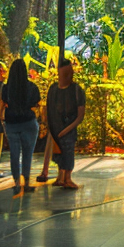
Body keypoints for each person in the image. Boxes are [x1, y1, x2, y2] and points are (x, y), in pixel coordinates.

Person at [0, 59, 41, 195]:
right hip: (28, 122)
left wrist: (1, 118)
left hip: (11, 122)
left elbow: (2, 105)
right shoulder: (32, 87)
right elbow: (36, 105)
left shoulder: (6, 88)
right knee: (27, 154)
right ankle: (27, 183)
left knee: (14, 154)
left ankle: (16, 183)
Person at [45, 57, 86, 190]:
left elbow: (80, 115)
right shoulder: (53, 90)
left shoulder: (76, 90)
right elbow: (48, 109)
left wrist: (67, 129)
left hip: (68, 128)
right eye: (64, 73)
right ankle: (61, 177)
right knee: (58, 154)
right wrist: (49, 126)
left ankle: (67, 178)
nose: (68, 76)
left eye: (70, 73)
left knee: (68, 152)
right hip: (55, 128)